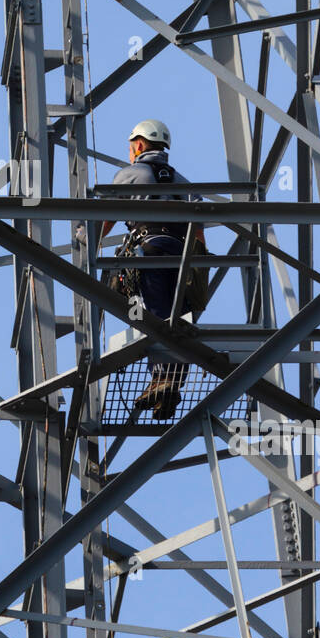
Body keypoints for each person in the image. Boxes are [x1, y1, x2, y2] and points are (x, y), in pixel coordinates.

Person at [99, 119, 205, 420]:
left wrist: (86, 245)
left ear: (140, 145)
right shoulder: (183, 182)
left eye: (132, 146)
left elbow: (102, 218)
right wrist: (199, 269)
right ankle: (166, 383)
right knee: (180, 316)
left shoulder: (131, 174)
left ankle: (163, 378)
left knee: (157, 316)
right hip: (182, 257)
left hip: (151, 251)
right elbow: (198, 231)